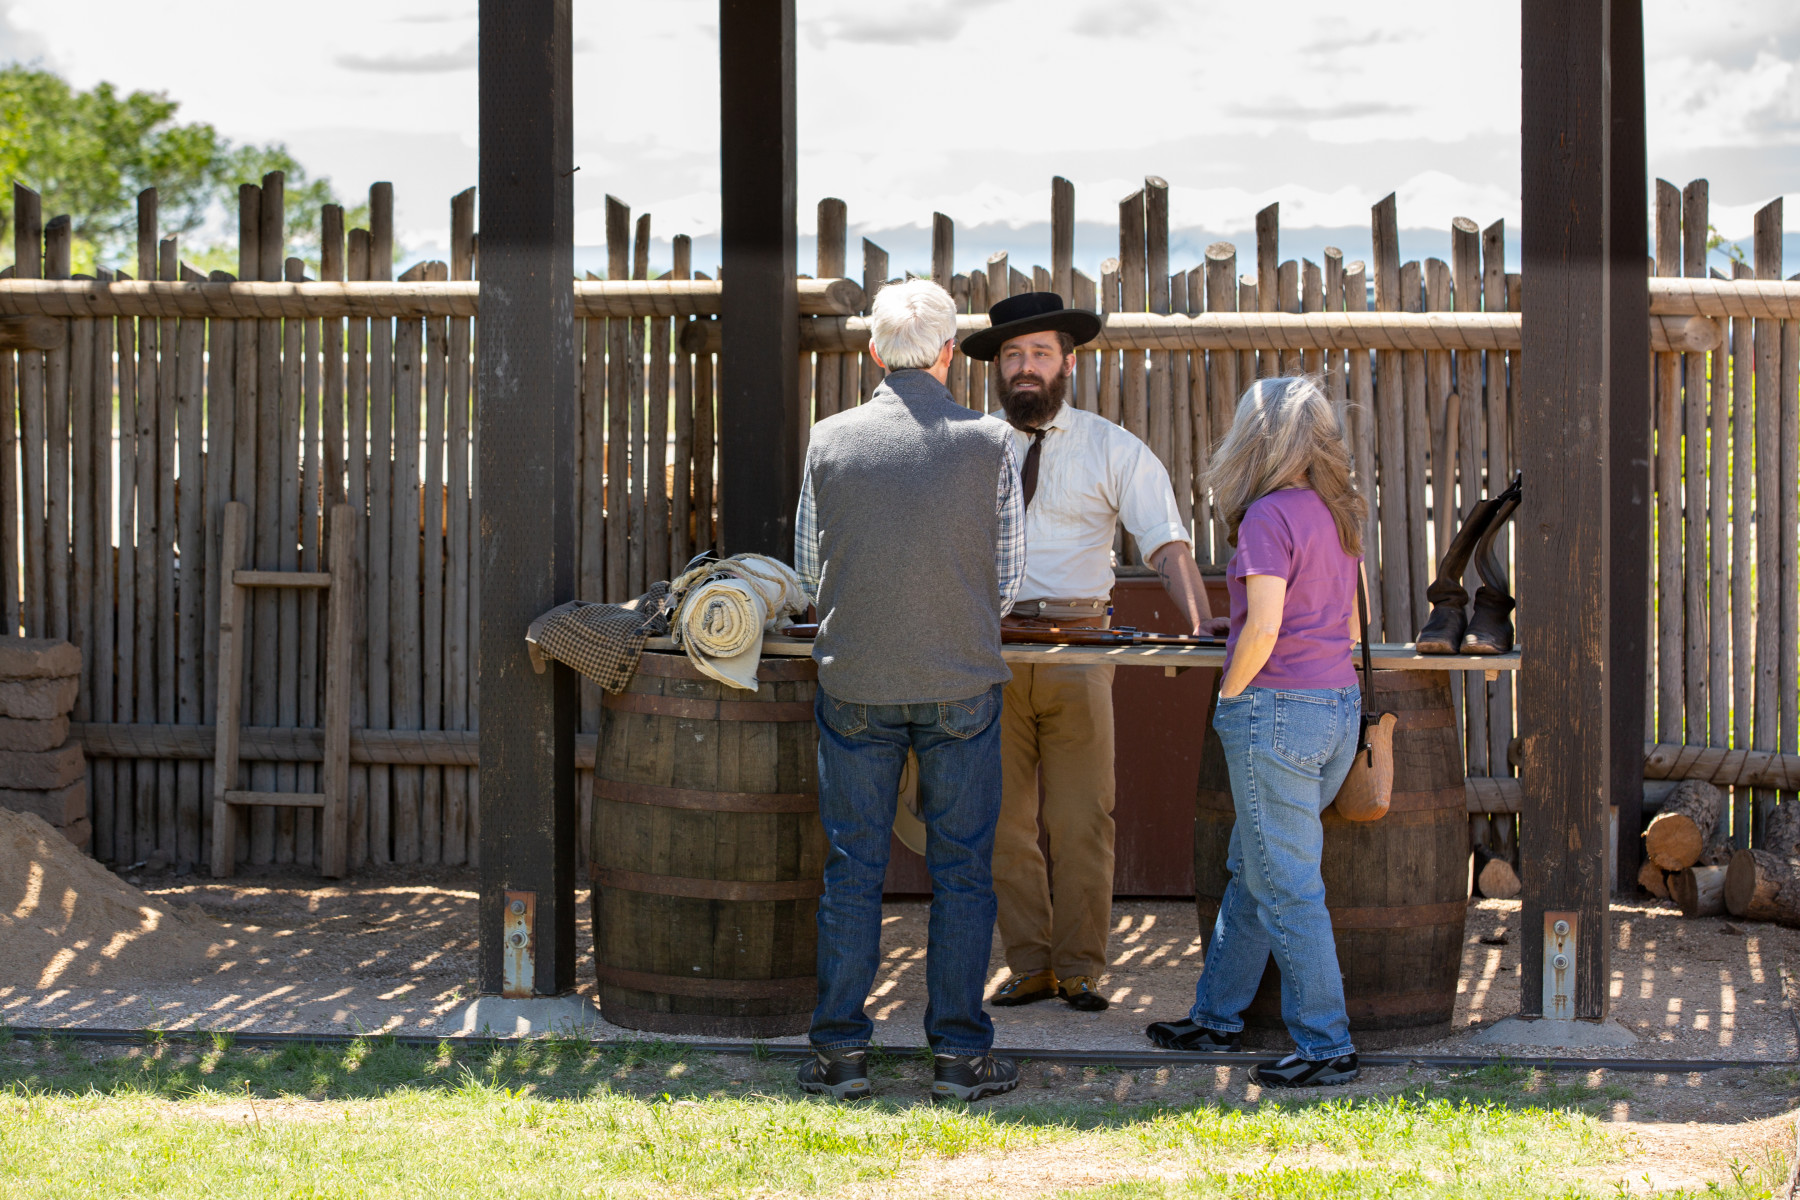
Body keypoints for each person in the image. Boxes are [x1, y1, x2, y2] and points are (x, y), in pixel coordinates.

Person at [959, 292, 1224, 1014]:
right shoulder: (970, 449)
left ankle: (1079, 969)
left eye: (1039, 353)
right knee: (1003, 820)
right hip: (993, 653)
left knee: (1083, 816)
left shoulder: (1113, 447)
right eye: (1012, 355)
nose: (1024, 367)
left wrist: (1200, 623)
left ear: (1067, 363)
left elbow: (1164, 538)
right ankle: (1030, 965)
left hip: (1079, 650)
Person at [792, 278, 1024, 1104]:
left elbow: (811, 574)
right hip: (961, 681)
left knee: (852, 869)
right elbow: (1006, 583)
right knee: (962, 872)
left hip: (856, 679)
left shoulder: (828, 440)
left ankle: (840, 1057)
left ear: (871, 353)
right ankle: (960, 1059)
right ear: (951, 352)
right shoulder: (994, 441)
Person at [1145, 375, 1368, 1088]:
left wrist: (1231, 696)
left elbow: (1268, 625)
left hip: (1276, 710)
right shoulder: (1340, 513)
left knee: (1289, 885)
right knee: (1257, 867)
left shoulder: (1268, 517)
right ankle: (1217, 1016)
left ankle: (1327, 1045)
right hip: (1336, 704)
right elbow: (1348, 624)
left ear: (1258, 438)